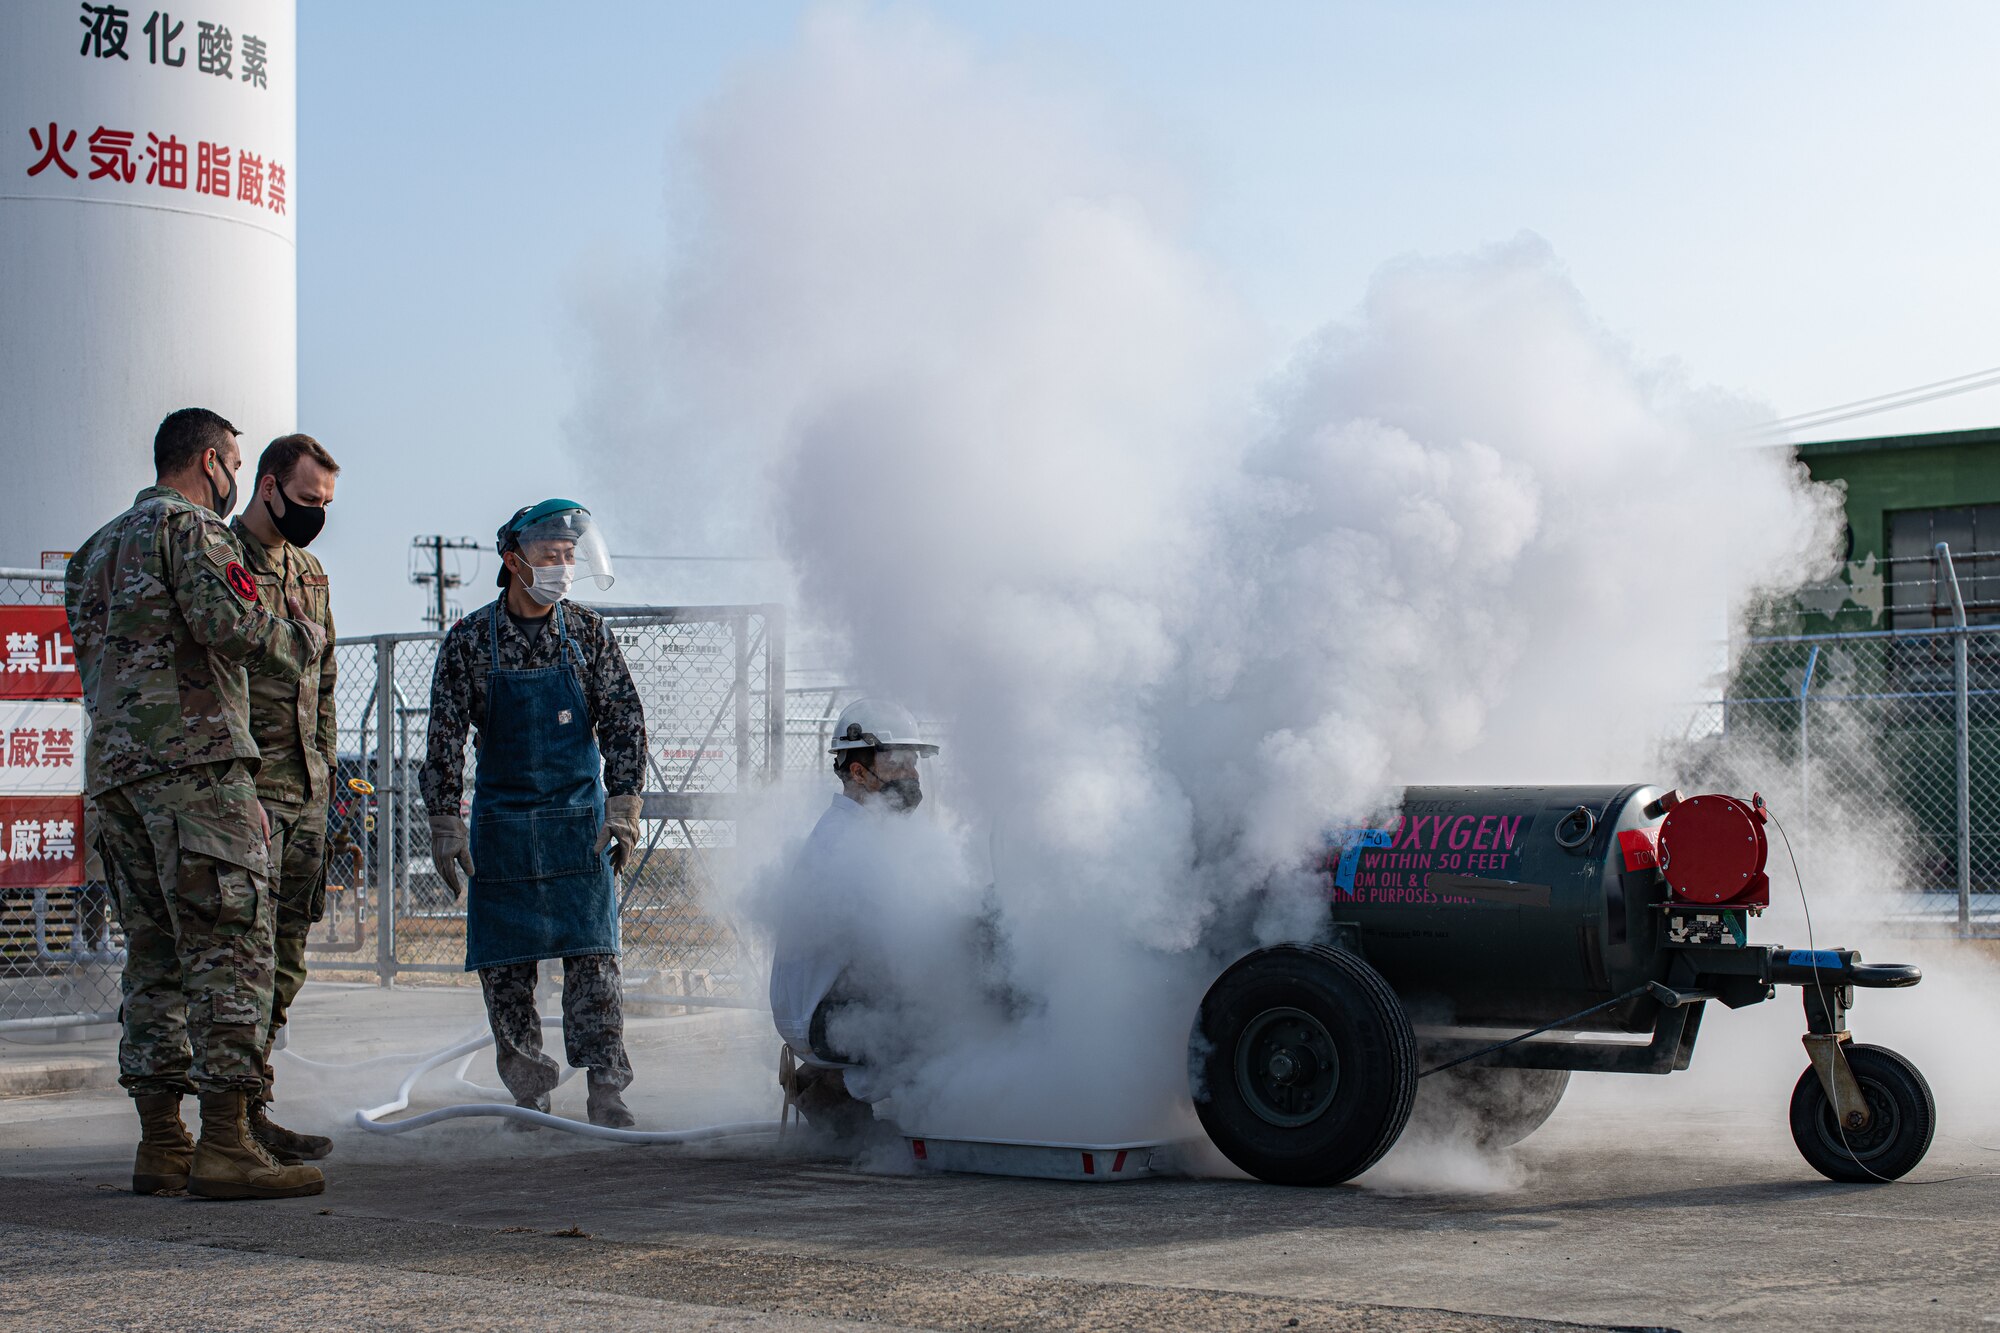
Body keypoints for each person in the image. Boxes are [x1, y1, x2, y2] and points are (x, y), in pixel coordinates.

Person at [65, 408, 328, 1200]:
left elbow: (89, 657)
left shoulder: (93, 551)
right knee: (229, 955)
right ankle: (224, 1141)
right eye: (234, 466)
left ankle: (162, 1142)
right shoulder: (197, 534)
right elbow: (228, 623)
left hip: (117, 777)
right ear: (210, 462)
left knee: (151, 959)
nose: (235, 481)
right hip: (198, 769)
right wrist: (297, 640)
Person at [418, 499, 647, 1128]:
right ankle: (530, 1097)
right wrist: (444, 820)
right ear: (514, 562)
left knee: (594, 962)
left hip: (580, 825)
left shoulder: (589, 636)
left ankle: (606, 1090)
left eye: (571, 556)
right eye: (552, 557)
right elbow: (443, 738)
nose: (563, 568)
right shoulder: (470, 642)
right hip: (503, 828)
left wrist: (624, 807)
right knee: (505, 973)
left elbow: (625, 724)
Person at [230, 433, 341, 1166]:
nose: (317, 514)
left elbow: (324, 679)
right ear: (267, 486)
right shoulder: (220, 562)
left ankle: (252, 1107)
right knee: (236, 957)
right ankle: (217, 1118)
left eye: (327, 504)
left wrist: (326, 775)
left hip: (304, 796)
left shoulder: (311, 572)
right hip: (246, 796)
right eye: (307, 501)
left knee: (287, 957)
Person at [769, 698, 938, 1137]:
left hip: (833, 1005)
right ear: (858, 771)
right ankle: (836, 1088)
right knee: (954, 1013)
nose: (913, 776)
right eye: (899, 763)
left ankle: (833, 1085)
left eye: (914, 762)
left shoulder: (868, 831)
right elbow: (906, 944)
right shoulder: (845, 842)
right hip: (823, 1018)